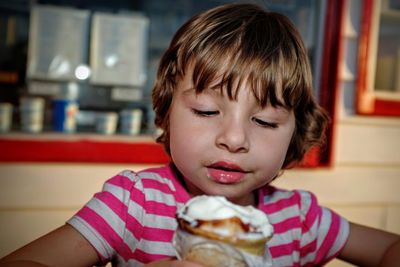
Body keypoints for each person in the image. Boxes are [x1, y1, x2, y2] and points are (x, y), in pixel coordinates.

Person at [1, 3, 399, 267]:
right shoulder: (133, 205)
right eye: (207, 111)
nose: (234, 138)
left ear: (296, 131)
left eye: (264, 122)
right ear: (166, 111)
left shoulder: (298, 219)